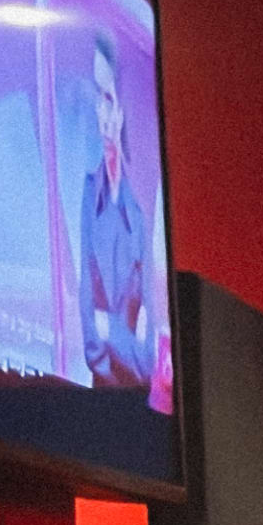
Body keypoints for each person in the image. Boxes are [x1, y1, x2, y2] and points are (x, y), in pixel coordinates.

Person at [77, 30, 152, 391]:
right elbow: (88, 319)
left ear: (121, 110)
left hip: (140, 399)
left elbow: (152, 356)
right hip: (102, 390)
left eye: (107, 98)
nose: (99, 111)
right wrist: (114, 342)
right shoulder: (90, 191)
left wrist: (111, 330)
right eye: (96, 97)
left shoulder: (141, 209)